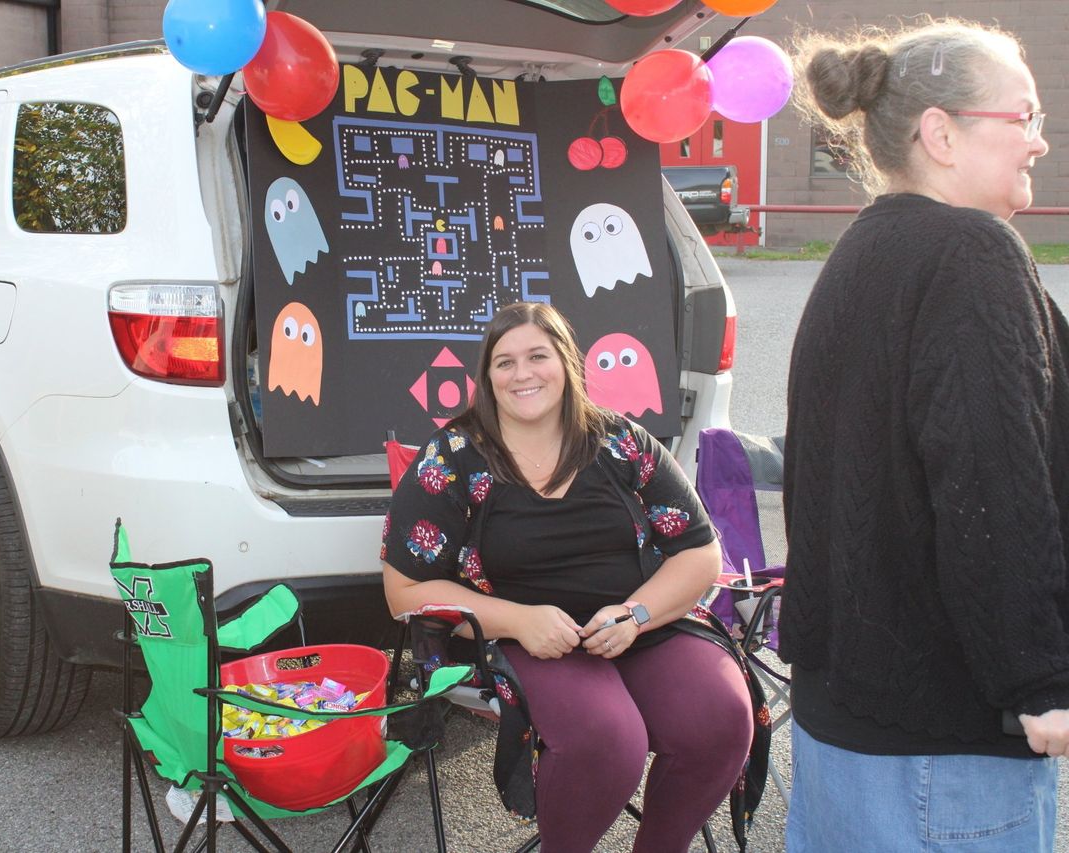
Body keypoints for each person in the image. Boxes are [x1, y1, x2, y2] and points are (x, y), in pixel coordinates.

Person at [780, 18, 1067, 851]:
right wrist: (1040, 679)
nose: (1039, 143)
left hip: (845, 726)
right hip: (942, 746)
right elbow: (992, 484)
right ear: (940, 133)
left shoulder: (864, 248)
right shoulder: (972, 253)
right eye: (1025, 118)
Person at [381, 301, 755, 853]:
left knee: (722, 717)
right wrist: (519, 620)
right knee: (608, 741)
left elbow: (699, 553)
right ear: (486, 378)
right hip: (524, 638)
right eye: (504, 362)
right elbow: (403, 592)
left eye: (538, 355)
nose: (523, 373)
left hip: (637, 622)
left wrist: (637, 614)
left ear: (567, 362)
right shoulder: (452, 457)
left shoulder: (621, 442)